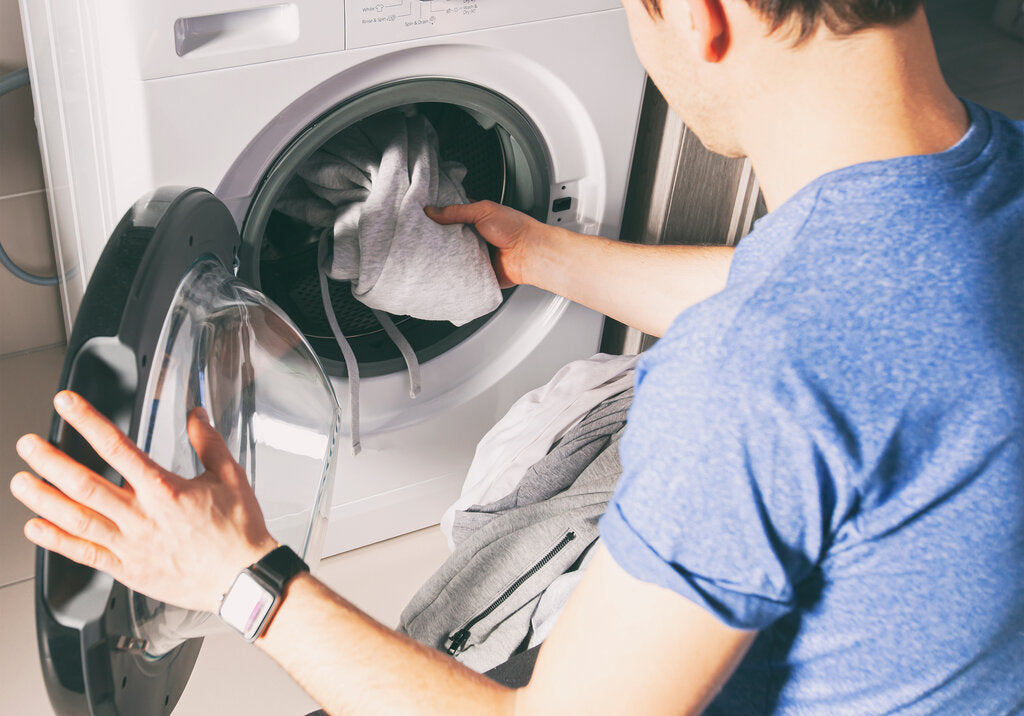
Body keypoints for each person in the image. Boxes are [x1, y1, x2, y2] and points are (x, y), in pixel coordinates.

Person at [10, 0, 1024, 713]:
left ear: (704, 13)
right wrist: (544, 255)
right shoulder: (990, 166)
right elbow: (810, 289)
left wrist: (235, 571)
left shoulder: (759, 379)